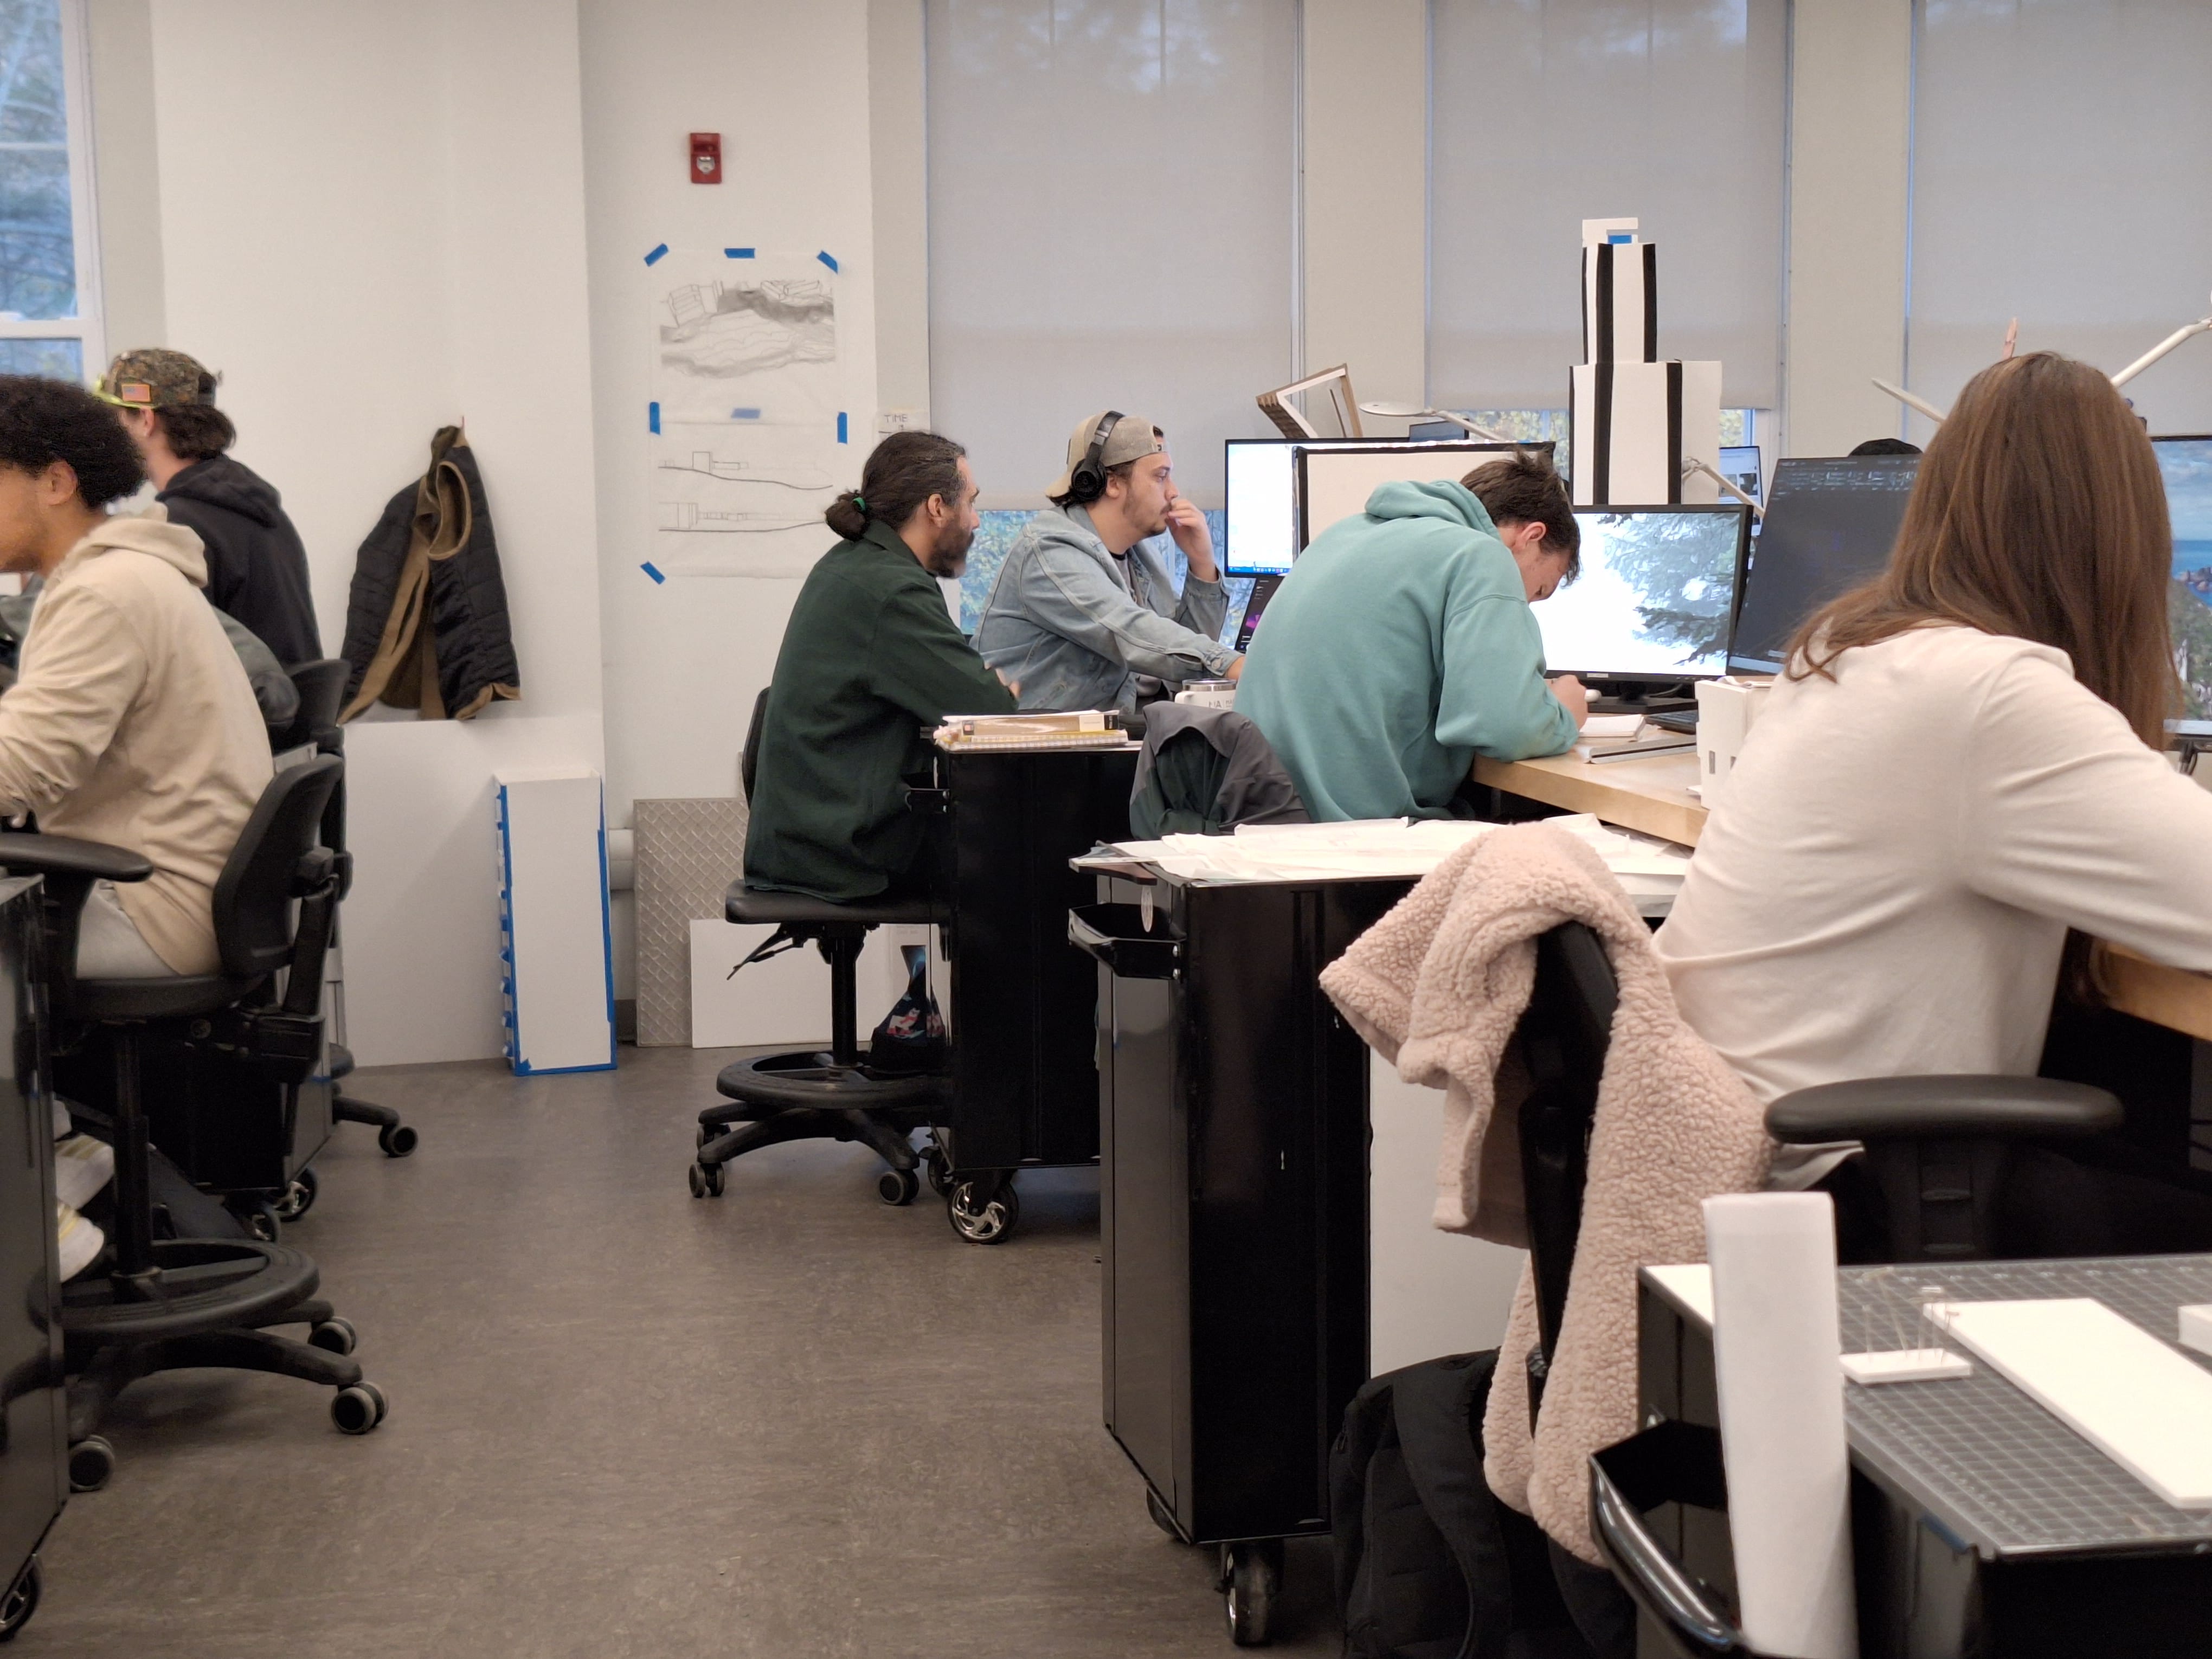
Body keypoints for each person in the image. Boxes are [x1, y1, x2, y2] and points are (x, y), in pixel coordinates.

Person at [1656, 351, 2212, 1252]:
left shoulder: (1850, 652)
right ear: (2119, 534)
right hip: (1852, 1197)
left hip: (1752, 1176)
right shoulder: (1988, 693)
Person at [0, 374, 272, 979]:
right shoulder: (119, 573)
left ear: (56, 481)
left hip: (153, 910)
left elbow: (22, 769)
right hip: (180, 893)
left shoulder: (105, 592)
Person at [1234, 449, 1590, 821]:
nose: (1526, 604)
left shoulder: (1345, 533)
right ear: (1530, 536)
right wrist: (1564, 712)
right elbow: (1503, 725)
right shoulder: (1482, 555)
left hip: (1259, 812)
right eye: (1538, 590)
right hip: (1352, 829)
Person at [744, 430, 1015, 903]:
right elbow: (990, 714)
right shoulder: (892, 590)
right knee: (1026, 863)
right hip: (841, 852)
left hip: (807, 837)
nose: (975, 521)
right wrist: (994, 690)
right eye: (970, 504)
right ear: (937, 507)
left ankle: (928, 980)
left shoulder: (852, 563)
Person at [974, 410, 1239, 716]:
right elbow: (1129, 632)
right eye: (1160, 476)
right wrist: (1233, 664)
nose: (1174, 491)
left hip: (1115, 743)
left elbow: (1184, 664)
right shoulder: (1050, 550)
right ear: (1111, 483)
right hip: (1044, 753)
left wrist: (1201, 562)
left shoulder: (1139, 556)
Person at [98, 348, 323, 665]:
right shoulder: (253, 505)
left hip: (241, 710)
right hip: (281, 708)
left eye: (118, 417)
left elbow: (175, 661)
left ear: (146, 420)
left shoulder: (178, 526)